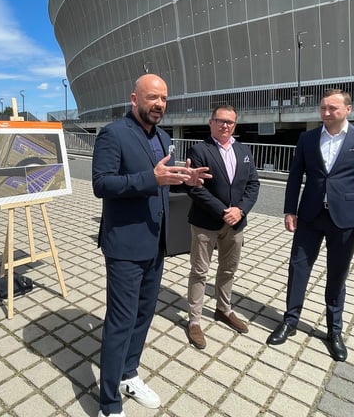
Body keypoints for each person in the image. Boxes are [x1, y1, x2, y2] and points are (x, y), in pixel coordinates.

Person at [92, 73, 211, 417]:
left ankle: (129, 374)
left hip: (155, 243)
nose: (159, 104)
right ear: (134, 99)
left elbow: (161, 179)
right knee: (121, 320)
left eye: (163, 99)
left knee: (144, 316)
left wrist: (183, 180)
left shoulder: (161, 136)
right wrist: (151, 179)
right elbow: (101, 184)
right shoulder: (113, 134)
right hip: (125, 247)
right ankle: (109, 404)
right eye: (152, 97)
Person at [267, 88, 354, 362]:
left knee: (337, 275)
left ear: (348, 109)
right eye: (323, 108)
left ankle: (334, 330)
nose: (327, 113)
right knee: (297, 268)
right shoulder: (307, 138)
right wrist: (289, 210)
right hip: (309, 216)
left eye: (333, 108)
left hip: (345, 220)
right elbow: (295, 176)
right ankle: (290, 320)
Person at [184, 105, 260, 349]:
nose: (225, 125)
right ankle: (194, 320)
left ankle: (223, 309)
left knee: (228, 269)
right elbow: (195, 188)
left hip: (236, 224)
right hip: (206, 223)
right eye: (220, 121)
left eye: (230, 122)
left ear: (235, 125)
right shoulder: (199, 150)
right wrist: (223, 211)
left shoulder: (244, 151)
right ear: (211, 122)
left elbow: (253, 185)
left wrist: (241, 210)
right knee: (199, 272)